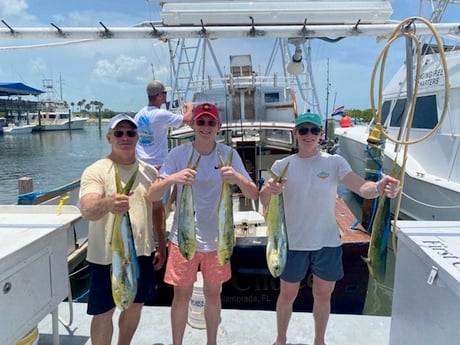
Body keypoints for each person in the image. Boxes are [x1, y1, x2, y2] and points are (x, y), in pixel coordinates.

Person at [259, 112, 400, 345]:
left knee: (323, 296)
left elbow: (361, 187)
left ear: (321, 134)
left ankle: (319, 340)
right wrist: (270, 190)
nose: (308, 135)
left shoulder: (334, 163)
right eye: (303, 130)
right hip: (291, 243)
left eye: (314, 130)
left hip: (327, 242)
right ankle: (280, 339)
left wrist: (380, 187)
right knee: (287, 295)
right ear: (295, 134)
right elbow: (264, 199)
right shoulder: (281, 165)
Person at [146, 102, 259, 345]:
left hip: (218, 242)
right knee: (181, 296)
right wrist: (174, 178)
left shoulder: (229, 154)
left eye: (211, 122)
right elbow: (152, 195)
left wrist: (236, 177)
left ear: (218, 126)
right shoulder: (178, 155)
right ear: (193, 124)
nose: (205, 127)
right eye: (201, 122)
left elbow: (253, 194)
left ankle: (212, 342)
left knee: (213, 294)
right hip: (182, 239)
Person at [79, 113, 166, 345]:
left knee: (136, 304)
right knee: (104, 311)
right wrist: (108, 203)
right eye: (119, 133)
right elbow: (87, 209)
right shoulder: (96, 170)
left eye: (130, 132)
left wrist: (162, 244)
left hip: (142, 254)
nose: (125, 137)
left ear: (137, 137)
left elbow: (158, 209)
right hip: (106, 257)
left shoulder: (150, 172)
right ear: (109, 137)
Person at [135, 80, 193, 169]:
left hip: (140, 164)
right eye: (165, 93)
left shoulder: (139, 114)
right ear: (159, 95)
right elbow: (187, 119)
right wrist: (189, 107)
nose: (166, 95)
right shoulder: (161, 114)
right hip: (157, 164)